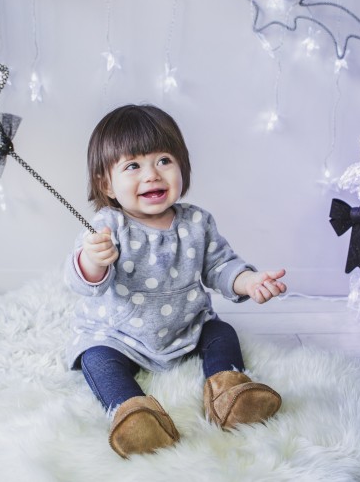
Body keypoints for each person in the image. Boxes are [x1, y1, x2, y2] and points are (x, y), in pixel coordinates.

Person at [65, 104, 287, 458]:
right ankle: (134, 413)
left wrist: (248, 281)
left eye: (164, 160)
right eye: (133, 166)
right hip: (119, 334)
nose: (152, 174)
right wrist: (93, 260)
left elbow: (220, 265)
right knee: (96, 358)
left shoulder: (197, 222)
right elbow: (84, 281)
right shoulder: (108, 226)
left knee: (221, 332)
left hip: (186, 325)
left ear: (182, 165)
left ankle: (229, 393)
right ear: (106, 182)